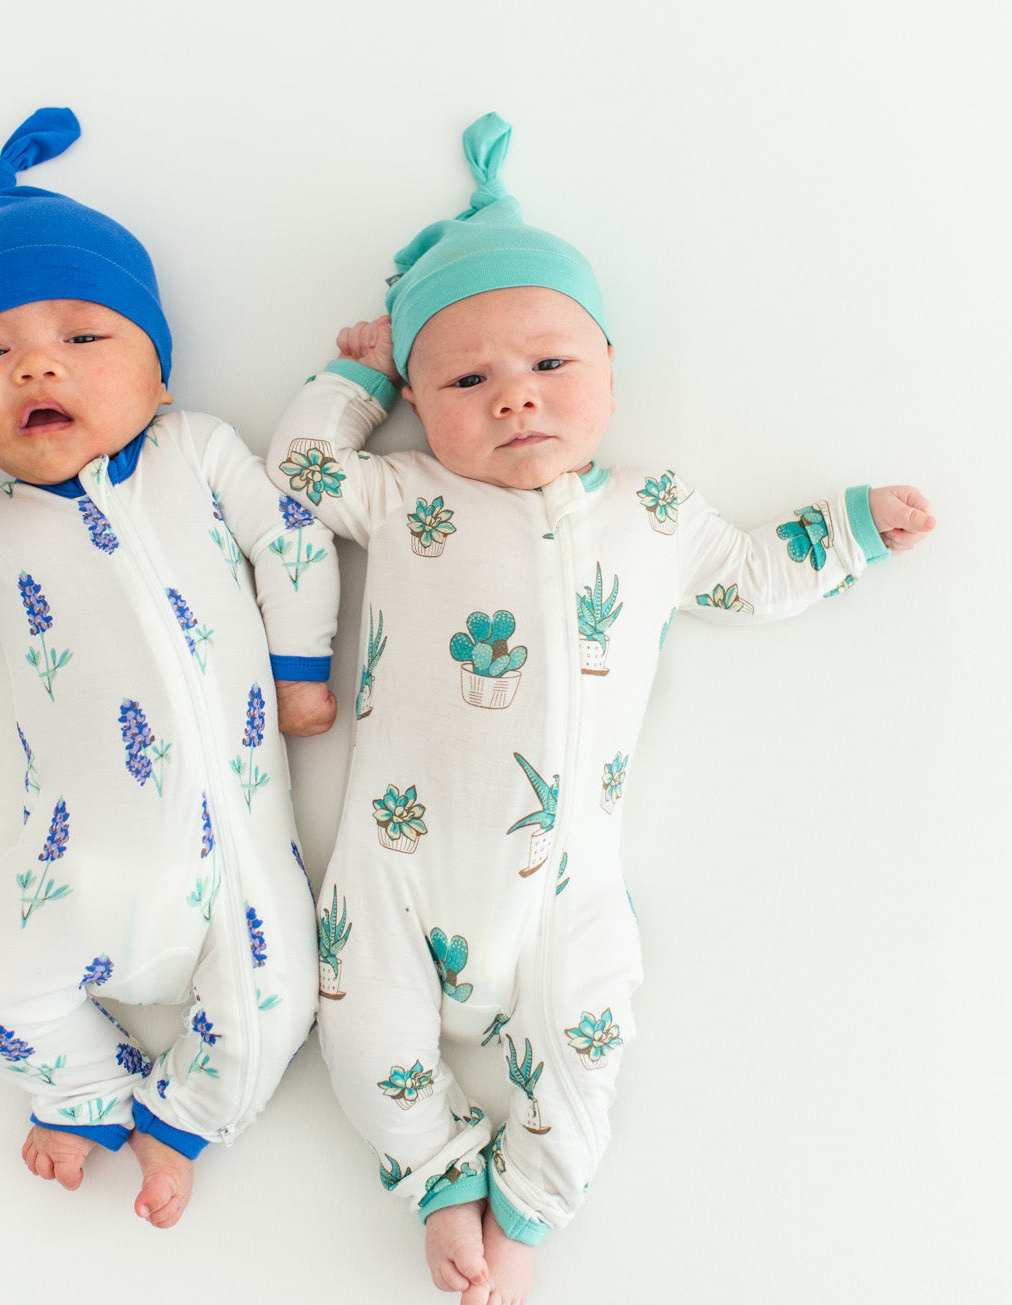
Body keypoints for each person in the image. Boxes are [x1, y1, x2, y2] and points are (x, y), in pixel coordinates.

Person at [268, 112, 933, 1304]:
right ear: (421, 400)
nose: (514, 398)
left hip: (569, 875)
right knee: (360, 1028)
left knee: (593, 1031)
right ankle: (434, 1180)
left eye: (550, 366)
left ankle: (526, 1212)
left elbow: (754, 574)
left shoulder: (656, 512)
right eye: (466, 380)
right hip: (396, 861)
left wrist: (844, 533)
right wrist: (350, 381)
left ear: (611, 375)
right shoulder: (411, 495)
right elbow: (302, 475)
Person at [0, 107, 337, 1228]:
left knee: (279, 1006)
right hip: (69, 869)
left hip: (236, 863)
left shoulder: (196, 449)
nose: (37, 360)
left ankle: (182, 1128)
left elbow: (295, 538)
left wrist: (299, 665)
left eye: (84, 337)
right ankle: (84, 1090)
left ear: (157, 377)